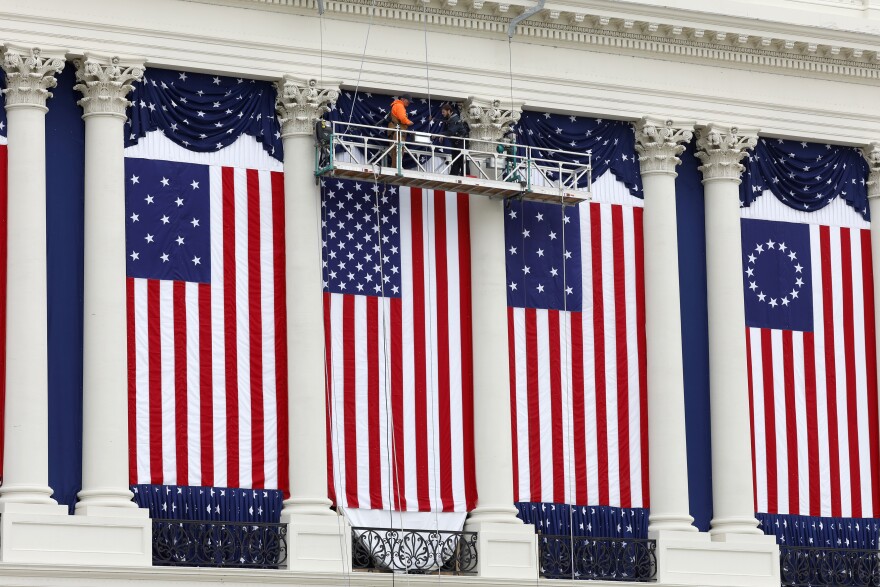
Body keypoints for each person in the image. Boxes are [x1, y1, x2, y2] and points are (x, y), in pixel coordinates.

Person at [438, 102, 468, 176]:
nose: (443, 114)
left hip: (461, 144)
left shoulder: (455, 119)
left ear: (448, 111)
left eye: (443, 112)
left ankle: (466, 175)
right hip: (456, 144)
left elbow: (451, 131)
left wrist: (441, 134)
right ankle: (454, 175)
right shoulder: (452, 119)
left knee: (461, 161)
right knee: (456, 161)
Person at [386, 94, 413, 167]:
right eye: (408, 101)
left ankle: (395, 166)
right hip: (397, 131)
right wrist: (408, 122)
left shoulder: (397, 105)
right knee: (398, 149)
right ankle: (397, 167)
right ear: (403, 99)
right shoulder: (400, 106)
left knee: (395, 150)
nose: (409, 103)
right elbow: (402, 118)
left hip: (394, 131)